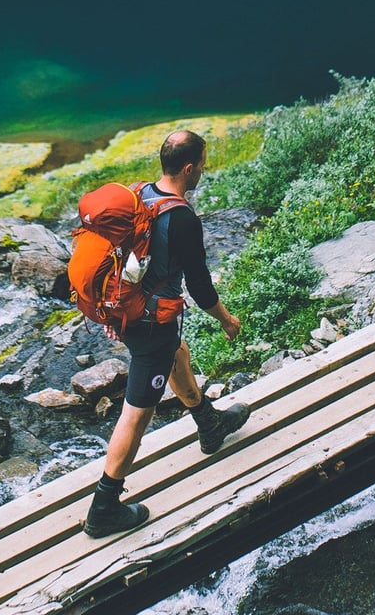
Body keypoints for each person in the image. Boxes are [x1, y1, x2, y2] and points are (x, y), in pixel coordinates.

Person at [83, 130, 251, 538]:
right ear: (189, 168)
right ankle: (103, 508)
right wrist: (226, 320)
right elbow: (200, 286)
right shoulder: (181, 218)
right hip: (150, 325)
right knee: (136, 413)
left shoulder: (140, 194)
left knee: (178, 354)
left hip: (127, 313)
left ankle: (209, 423)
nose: (204, 171)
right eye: (203, 165)